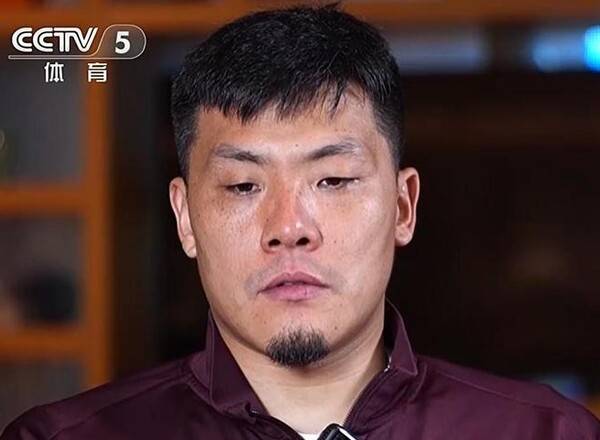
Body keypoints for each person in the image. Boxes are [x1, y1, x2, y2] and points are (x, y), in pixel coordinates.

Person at [2, 4, 599, 440]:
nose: (289, 227)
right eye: (243, 185)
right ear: (185, 218)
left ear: (403, 206)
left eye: (333, 180)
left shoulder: (549, 434)